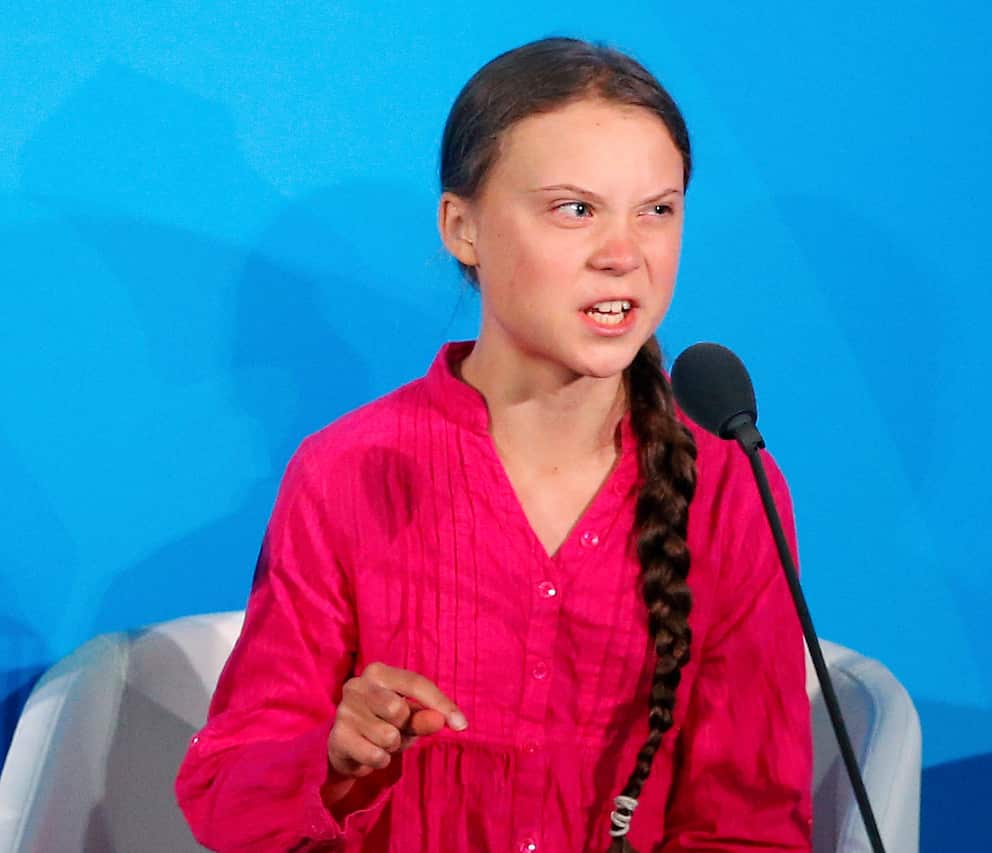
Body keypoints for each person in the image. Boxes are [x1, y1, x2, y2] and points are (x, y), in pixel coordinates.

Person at [176, 36, 813, 852]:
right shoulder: (344, 470)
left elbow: (751, 826)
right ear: (462, 226)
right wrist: (333, 758)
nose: (625, 255)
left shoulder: (729, 487)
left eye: (657, 209)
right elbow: (226, 796)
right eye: (574, 209)